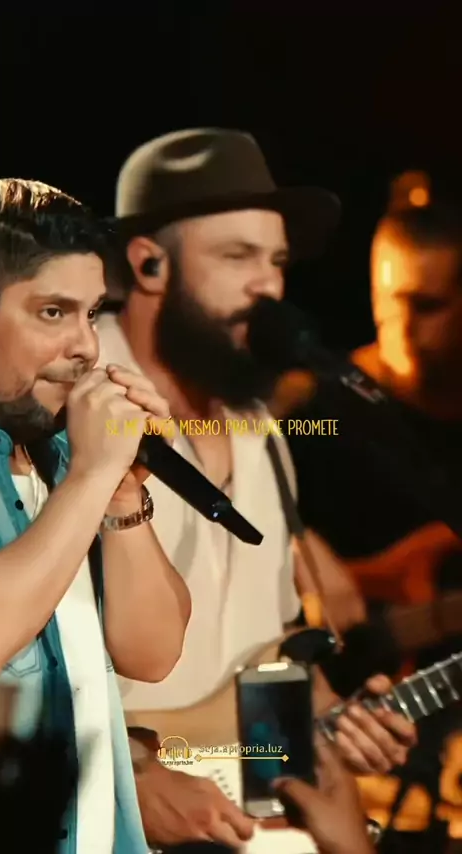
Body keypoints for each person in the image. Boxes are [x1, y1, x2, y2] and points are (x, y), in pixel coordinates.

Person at [97, 128, 416, 852]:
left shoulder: (260, 432)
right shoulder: (70, 408)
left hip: (240, 826)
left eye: (275, 262)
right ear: (148, 264)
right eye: (236, 256)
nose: (268, 288)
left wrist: (334, 721)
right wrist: (129, 773)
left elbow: (268, 656)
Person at [0, 179, 191, 854]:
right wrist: (93, 477)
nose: (88, 349)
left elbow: (152, 653)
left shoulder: (68, 461)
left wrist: (122, 495)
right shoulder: (80, 473)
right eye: (53, 312)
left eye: (93, 313)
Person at [273, 174, 462, 853]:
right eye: (385, 302)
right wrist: (298, 545)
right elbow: (221, 454)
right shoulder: (318, 409)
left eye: (427, 305)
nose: (399, 326)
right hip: (330, 736)